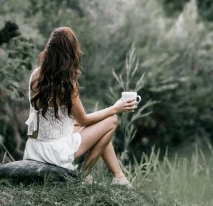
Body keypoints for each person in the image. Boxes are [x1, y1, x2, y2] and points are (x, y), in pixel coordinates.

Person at [23, 27, 137, 187]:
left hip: (34, 148)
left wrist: (76, 124)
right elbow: (83, 120)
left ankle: (119, 177)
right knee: (111, 120)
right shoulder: (67, 83)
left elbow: (53, 119)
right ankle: (84, 176)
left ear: (49, 48)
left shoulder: (36, 75)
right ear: (70, 52)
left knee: (100, 126)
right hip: (54, 152)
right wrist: (115, 108)